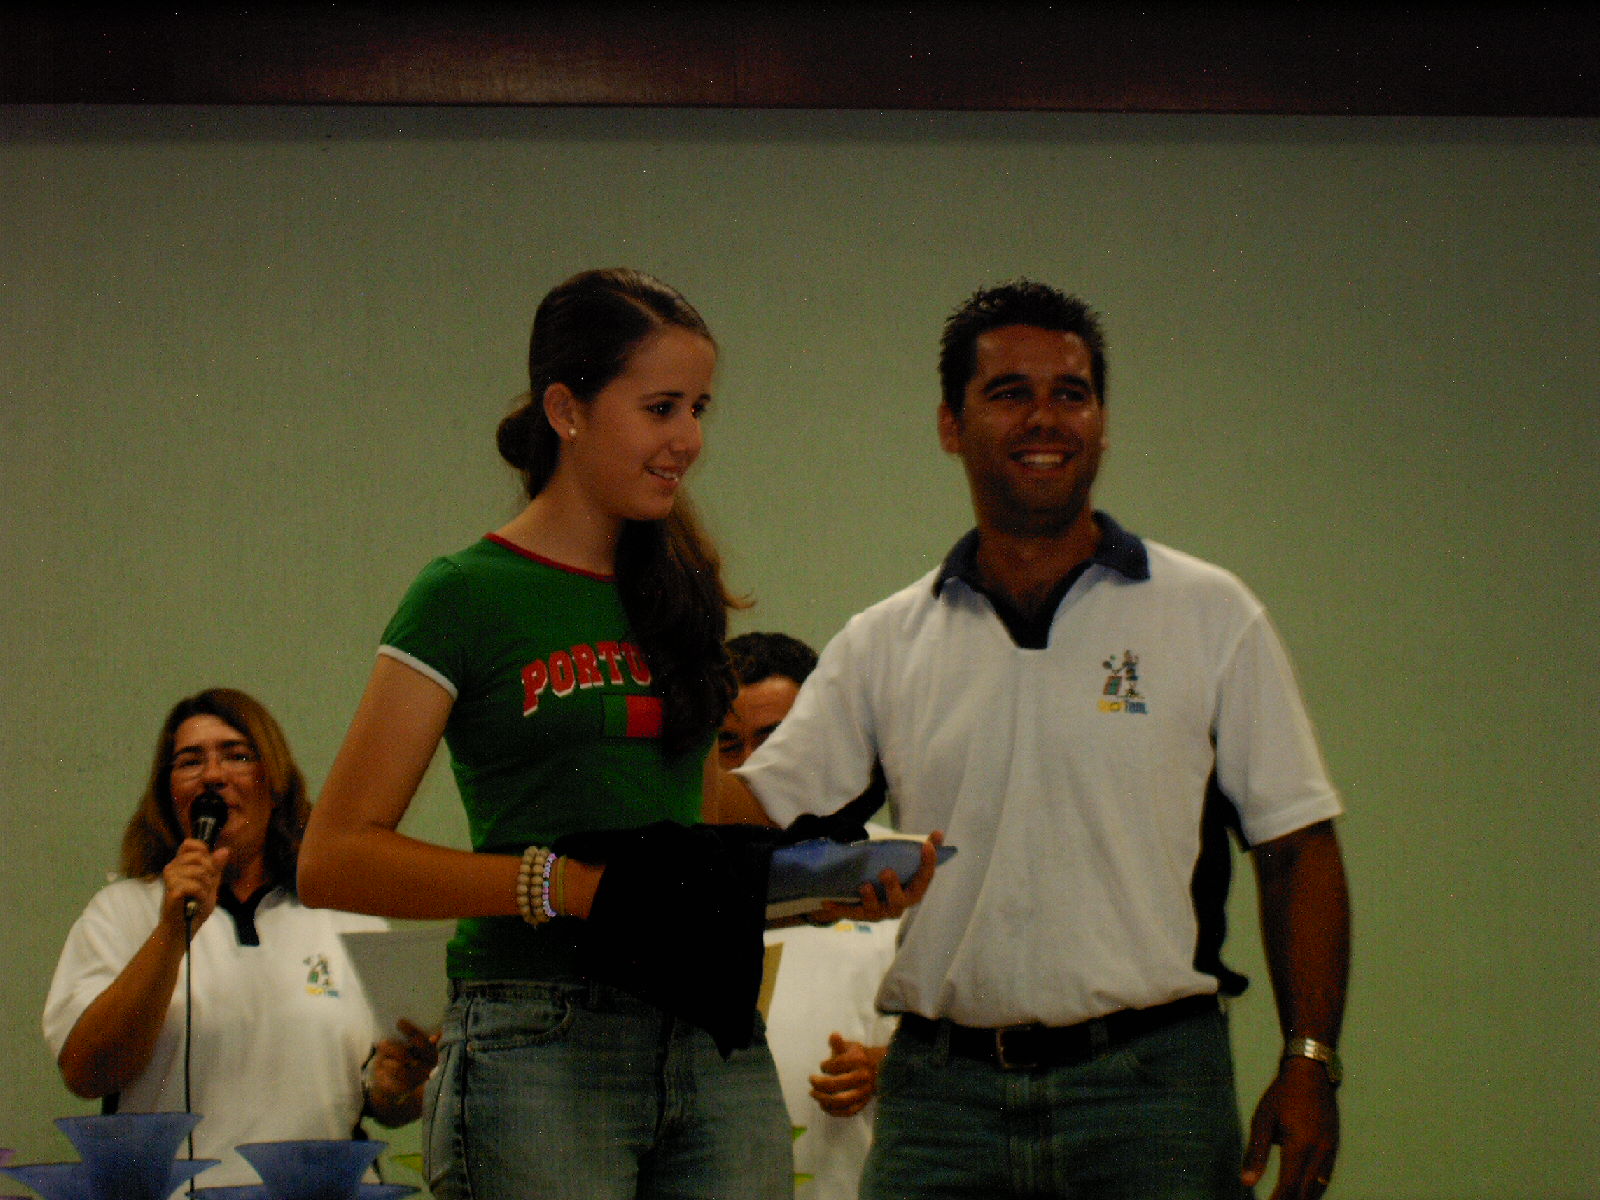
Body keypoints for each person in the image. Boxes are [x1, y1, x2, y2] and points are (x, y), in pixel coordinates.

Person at [298, 269, 928, 1200]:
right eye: (661, 408)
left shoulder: (681, 591)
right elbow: (334, 858)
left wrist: (817, 884)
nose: (689, 440)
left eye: (699, 409)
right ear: (568, 410)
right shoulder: (465, 595)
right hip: (537, 1036)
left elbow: (697, 810)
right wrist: (563, 886)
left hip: (712, 1032)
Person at [714, 281, 1351, 1200]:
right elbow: (745, 811)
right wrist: (635, 699)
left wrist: (1309, 1059)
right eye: (1010, 392)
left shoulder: (1210, 614)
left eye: (1071, 393)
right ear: (951, 423)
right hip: (941, 1105)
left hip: (1154, 1095)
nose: (1045, 418)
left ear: (1102, 422)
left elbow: (1300, 849)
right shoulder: (886, 641)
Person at [43, 688, 435, 1188]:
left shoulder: (344, 918)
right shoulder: (120, 912)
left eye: (237, 756)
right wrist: (171, 931)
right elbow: (86, 1074)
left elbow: (386, 1100)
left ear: (274, 783)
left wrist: (398, 1087)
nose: (213, 775)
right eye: (190, 761)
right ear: (169, 794)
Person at [724, 632, 898, 1200]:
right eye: (728, 744)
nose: (752, 766)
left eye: (775, 740)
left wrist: (887, 1066)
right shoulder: (676, 889)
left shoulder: (899, 872)